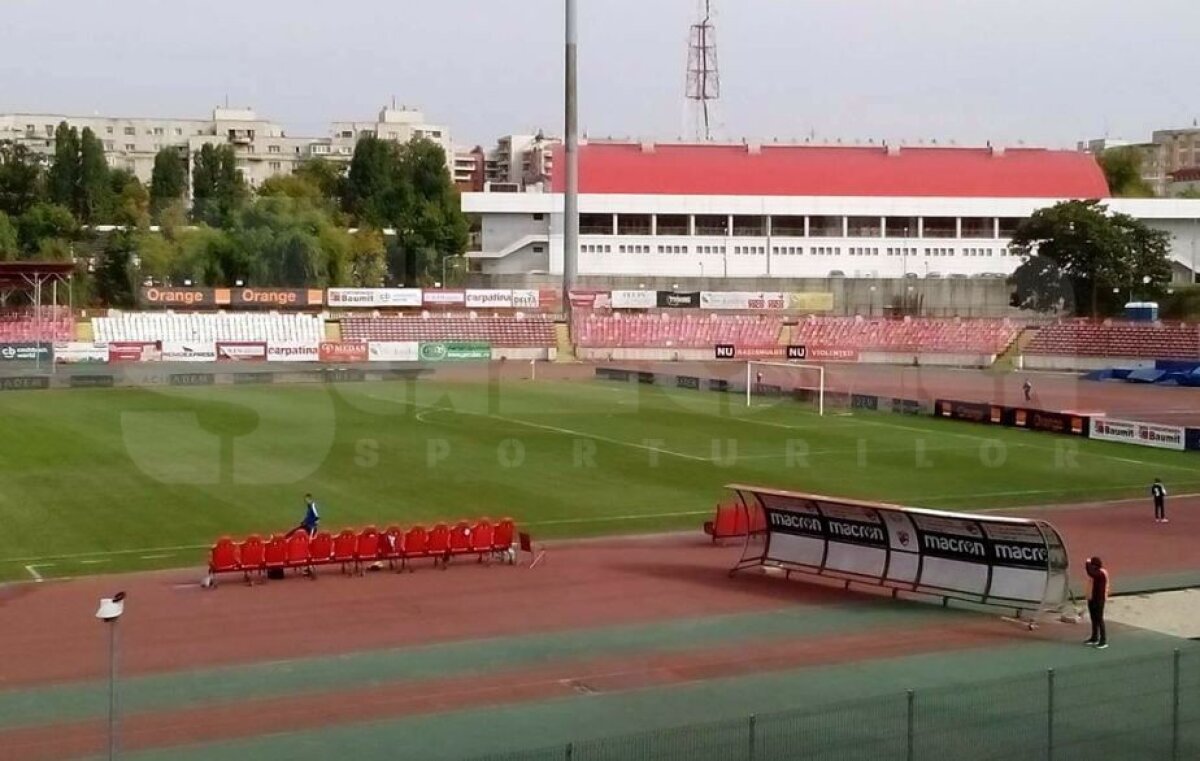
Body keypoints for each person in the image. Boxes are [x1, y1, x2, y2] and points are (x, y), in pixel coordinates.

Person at [1084, 557, 1109, 649]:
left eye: (1092, 565)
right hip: (1092, 599)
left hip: (1099, 599)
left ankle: (1103, 641)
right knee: (1093, 619)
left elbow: (1091, 572)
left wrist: (1087, 563)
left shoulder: (1101, 573)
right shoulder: (1095, 573)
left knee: (1099, 619)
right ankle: (1094, 638)